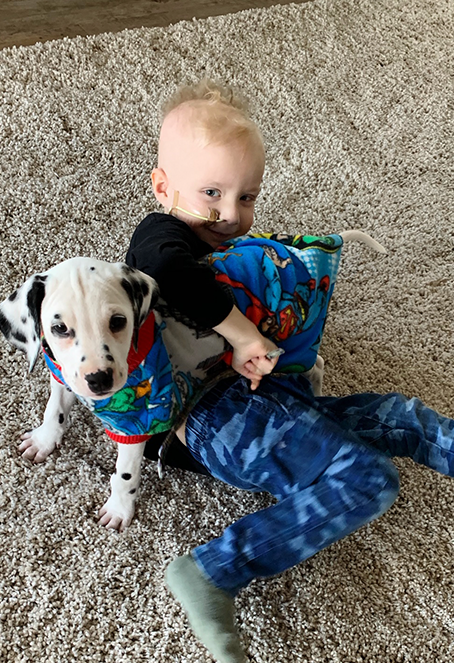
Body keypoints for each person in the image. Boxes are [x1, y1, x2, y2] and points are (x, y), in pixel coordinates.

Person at [166, 372, 454, 662]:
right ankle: (216, 567)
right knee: (369, 480)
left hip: (279, 389)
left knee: (398, 418)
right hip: (223, 413)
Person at [126, 78, 281, 392]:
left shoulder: (225, 244)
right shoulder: (159, 234)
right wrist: (244, 335)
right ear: (163, 189)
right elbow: (167, 269)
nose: (232, 215)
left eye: (246, 197)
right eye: (212, 193)